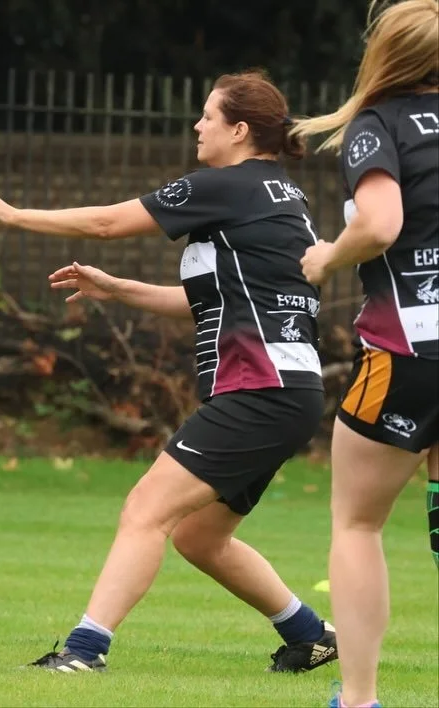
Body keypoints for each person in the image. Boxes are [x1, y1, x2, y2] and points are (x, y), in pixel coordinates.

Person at [0, 69, 339, 674]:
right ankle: (310, 634)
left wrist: (12, 215)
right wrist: (116, 289)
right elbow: (208, 299)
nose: (197, 125)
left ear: (239, 131)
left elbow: (108, 222)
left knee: (145, 511)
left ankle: (84, 652)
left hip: (260, 388)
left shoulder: (232, 186)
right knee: (197, 536)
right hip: (286, 391)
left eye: (208, 116)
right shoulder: (278, 193)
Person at [288, 0, 439, 705]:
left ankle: (358, 699)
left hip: (409, 351)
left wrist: (325, 258)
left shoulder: (378, 126)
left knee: (357, 523)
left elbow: (380, 224)